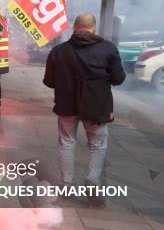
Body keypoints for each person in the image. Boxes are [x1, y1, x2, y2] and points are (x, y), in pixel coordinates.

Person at [43, 14, 126, 206]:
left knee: (66, 143)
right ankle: (92, 180)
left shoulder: (59, 51)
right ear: (93, 28)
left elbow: (49, 81)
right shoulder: (108, 49)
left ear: (74, 28)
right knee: (98, 145)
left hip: (66, 105)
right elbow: (118, 79)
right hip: (97, 107)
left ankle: (67, 185)